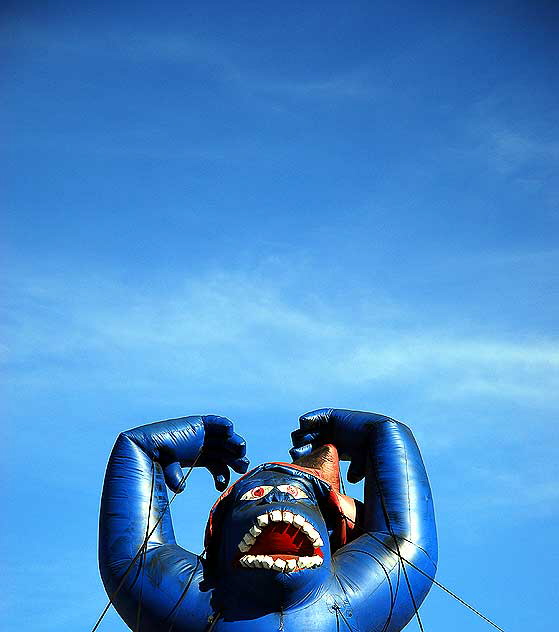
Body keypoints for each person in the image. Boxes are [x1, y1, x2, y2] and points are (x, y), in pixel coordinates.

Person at [99, 408, 437, 631]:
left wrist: (383, 434)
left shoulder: (352, 596)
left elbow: (401, 540)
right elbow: (136, 553)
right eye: (255, 497)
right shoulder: (199, 600)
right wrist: (144, 449)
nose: (276, 497)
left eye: (296, 496)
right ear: (220, 538)